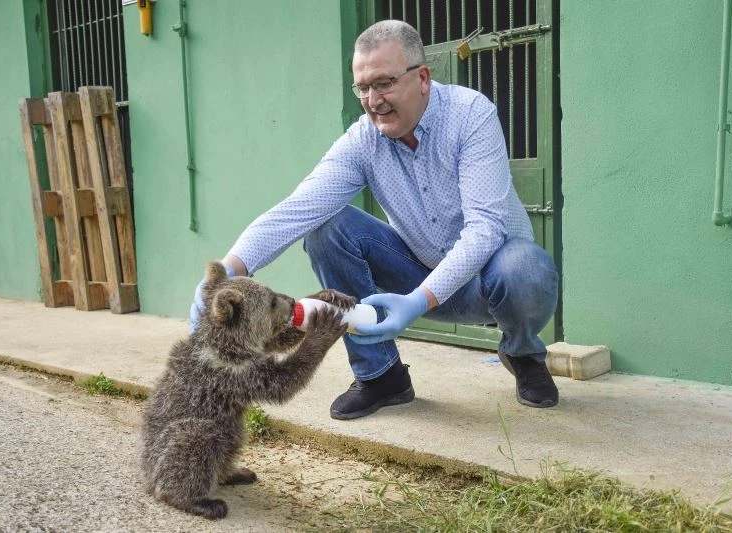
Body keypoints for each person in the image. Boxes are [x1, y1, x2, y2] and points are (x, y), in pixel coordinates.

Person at [190, 19, 559, 420]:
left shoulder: (470, 115)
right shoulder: (363, 141)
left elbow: (485, 229)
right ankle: (381, 375)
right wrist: (229, 268)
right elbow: (296, 210)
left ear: (422, 78)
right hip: (415, 275)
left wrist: (417, 301)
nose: (373, 100)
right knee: (327, 228)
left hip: (490, 285)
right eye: (363, 88)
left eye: (383, 83)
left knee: (525, 266)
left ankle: (523, 354)